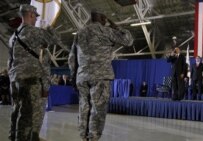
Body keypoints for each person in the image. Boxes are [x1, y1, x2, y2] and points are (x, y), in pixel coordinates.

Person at [68, 9, 133, 141]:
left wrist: (74, 76)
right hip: (100, 77)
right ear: (103, 20)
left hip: (82, 77)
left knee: (84, 108)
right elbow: (129, 40)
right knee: (98, 110)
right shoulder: (106, 31)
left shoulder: (80, 33)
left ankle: (83, 136)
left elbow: (72, 58)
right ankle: (93, 137)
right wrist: (115, 25)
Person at [8, 4, 59, 141]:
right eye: (35, 17)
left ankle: (14, 136)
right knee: (30, 115)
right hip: (30, 80)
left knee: (17, 111)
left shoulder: (13, 36)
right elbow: (55, 40)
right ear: (30, 15)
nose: (36, 19)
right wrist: (48, 27)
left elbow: (10, 60)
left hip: (15, 80)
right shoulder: (34, 32)